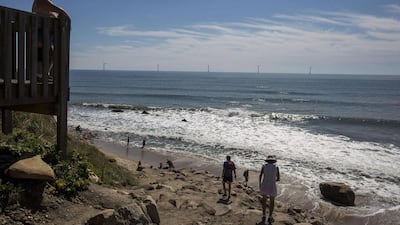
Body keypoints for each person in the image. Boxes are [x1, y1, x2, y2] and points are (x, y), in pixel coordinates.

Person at [32, 0, 70, 81]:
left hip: (48, 30)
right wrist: (64, 13)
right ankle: (39, 75)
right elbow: (44, 5)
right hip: (42, 29)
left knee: (50, 53)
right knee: (41, 52)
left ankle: (44, 74)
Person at [259, 155, 280, 223]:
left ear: (267, 160)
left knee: (264, 201)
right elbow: (278, 178)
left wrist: (260, 184)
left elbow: (260, 176)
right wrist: (273, 180)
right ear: (273, 161)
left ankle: (264, 215)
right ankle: (270, 216)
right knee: (272, 202)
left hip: (264, 184)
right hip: (272, 185)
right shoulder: (276, 167)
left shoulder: (264, 166)